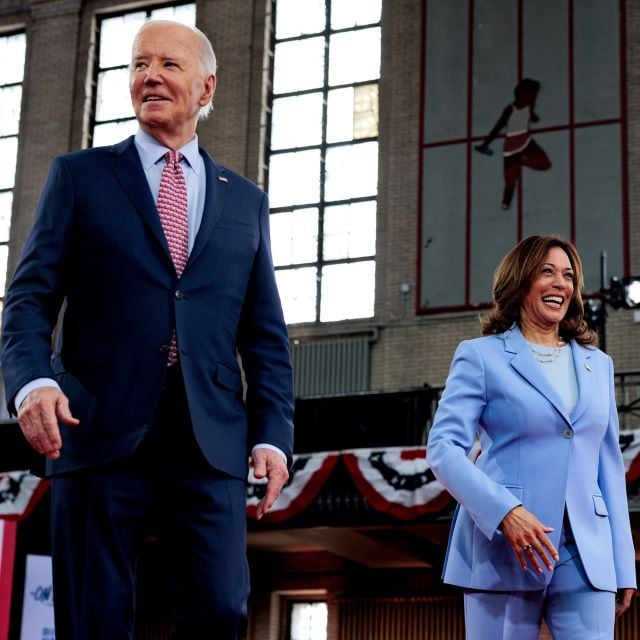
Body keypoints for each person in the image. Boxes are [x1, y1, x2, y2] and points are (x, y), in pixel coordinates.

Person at [1, 20, 294, 640]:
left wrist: (272, 433)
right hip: (96, 426)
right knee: (94, 619)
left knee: (221, 610)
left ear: (207, 86)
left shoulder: (245, 201)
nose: (149, 76)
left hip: (209, 438)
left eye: (168, 64)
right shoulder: (79, 177)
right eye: (138, 64)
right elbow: (27, 299)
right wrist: (31, 383)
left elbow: (264, 334)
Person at [427, 235, 636, 639]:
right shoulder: (480, 355)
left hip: (585, 554)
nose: (561, 283)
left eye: (569, 275)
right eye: (548, 272)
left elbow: (609, 468)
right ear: (521, 282)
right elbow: (443, 449)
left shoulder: (599, 364)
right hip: (505, 548)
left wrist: (623, 564)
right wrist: (504, 511)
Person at [475, 78, 551, 209]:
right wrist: (484, 145)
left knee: (544, 164)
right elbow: (497, 129)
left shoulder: (530, 103)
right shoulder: (510, 110)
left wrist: (534, 116)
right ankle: (505, 204)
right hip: (512, 146)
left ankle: (522, 162)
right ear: (522, 94)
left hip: (526, 141)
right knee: (510, 182)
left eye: (535, 95)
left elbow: (530, 113)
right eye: (532, 94)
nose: (534, 97)